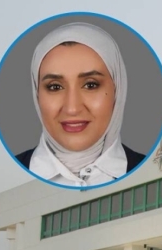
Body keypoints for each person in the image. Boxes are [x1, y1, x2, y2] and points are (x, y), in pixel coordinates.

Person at [15, 22, 145, 187]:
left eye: (90, 85)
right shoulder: (8, 177)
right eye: (55, 87)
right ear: (37, 94)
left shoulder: (152, 171)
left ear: (117, 89)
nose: (72, 108)